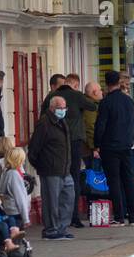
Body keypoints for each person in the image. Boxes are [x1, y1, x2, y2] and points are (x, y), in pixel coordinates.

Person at [41, 73, 96, 228]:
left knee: (57, 178)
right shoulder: (77, 96)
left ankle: (56, 218)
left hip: (55, 143)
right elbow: (92, 106)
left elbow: (42, 115)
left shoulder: (51, 96)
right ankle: (74, 216)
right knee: (74, 176)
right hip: (75, 141)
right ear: (74, 85)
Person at [93, 70, 134, 227]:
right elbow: (133, 124)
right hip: (128, 146)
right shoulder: (128, 101)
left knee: (114, 181)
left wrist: (97, 144)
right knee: (128, 180)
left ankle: (119, 217)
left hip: (110, 147)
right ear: (119, 82)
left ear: (107, 84)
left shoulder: (106, 102)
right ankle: (133, 216)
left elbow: (100, 125)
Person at [28, 95, 75, 240]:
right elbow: (34, 148)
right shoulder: (44, 123)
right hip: (50, 169)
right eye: (60, 108)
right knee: (51, 202)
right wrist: (41, 166)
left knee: (68, 198)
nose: (63, 110)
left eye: (64, 108)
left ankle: (62, 228)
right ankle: (51, 230)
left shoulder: (62, 122)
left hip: (65, 169)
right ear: (52, 108)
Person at [0, 147, 32, 245]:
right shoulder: (14, 175)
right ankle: (12, 246)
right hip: (16, 210)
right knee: (15, 233)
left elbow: (1, 190)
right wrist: (26, 218)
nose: (24, 162)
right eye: (23, 159)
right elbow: (20, 197)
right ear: (19, 160)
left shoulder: (6, 172)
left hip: (8, 208)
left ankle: (9, 244)